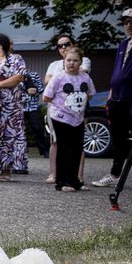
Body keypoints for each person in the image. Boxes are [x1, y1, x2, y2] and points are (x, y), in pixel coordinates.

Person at [93, 8, 132, 189]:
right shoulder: (123, 44)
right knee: (118, 139)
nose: (129, 26)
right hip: (117, 98)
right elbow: (117, 71)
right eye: (126, 23)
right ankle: (115, 174)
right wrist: (110, 96)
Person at [43, 46, 95, 192]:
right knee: (64, 148)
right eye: (69, 60)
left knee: (77, 149)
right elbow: (46, 96)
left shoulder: (85, 77)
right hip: (61, 117)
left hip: (77, 117)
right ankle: (62, 182)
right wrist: (61, 104)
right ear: (64, 61)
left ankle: (75, 180)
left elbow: (90, 93)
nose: (72, 63)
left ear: (81, 62)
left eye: (75, 61)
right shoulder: (58, 77)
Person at [0, 32, 28, 181]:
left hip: (11, 105)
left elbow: (19, 77)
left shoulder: (16, 59)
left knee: (9, 137)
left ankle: (6, 170)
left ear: (0, 45)